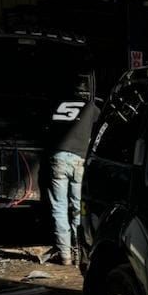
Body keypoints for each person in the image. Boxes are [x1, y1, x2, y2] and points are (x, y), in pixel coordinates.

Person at [45, 79, 100, 266]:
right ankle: (81, 255)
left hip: (59, 158)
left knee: (59, 208)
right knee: (78, 208)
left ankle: (65, 255)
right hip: (80, 160)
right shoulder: (91, 107)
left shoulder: (58, 105)